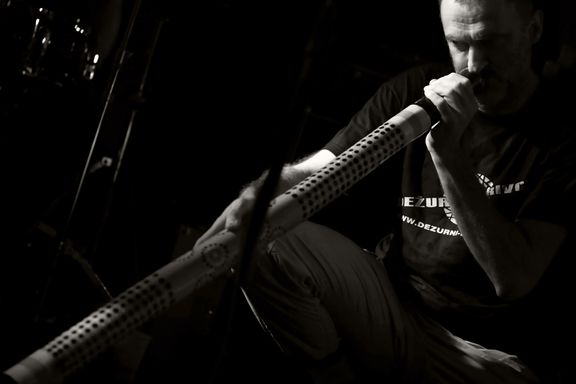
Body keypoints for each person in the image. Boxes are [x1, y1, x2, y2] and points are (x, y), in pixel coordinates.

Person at [194, 0, 576, 382]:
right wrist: (256, 198)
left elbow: (513, 277)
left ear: (534, 30)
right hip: (392, 305)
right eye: (459, 44)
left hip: (486, 355)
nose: (474, 64)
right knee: (266, 232)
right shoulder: (417, 88)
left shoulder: (567, 132)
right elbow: (321, 168)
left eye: (490, 41)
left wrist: (447, 154)